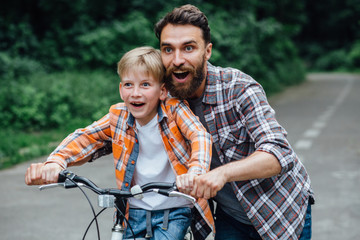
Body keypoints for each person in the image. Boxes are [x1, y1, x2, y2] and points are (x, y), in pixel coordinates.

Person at [154, 4, 314, 240]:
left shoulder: (238, 88)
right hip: (231, 217)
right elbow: (121, 127)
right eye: (168, 49)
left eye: (188, 48)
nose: (177, 59)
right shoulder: (162, 96)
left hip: (280, 211)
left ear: (207, 51)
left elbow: (278, 152)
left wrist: (222, 174)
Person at [24, 46, 215, 240]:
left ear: (163, 91)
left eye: (146, 85)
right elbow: (86, 137)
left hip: (173, 210)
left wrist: (195, 173)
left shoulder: (174, 110)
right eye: (128, 85)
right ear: (120, 89)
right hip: (133, 212)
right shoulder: (119, 115)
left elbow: (199, 135)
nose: (135, 93)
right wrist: (56, 161)